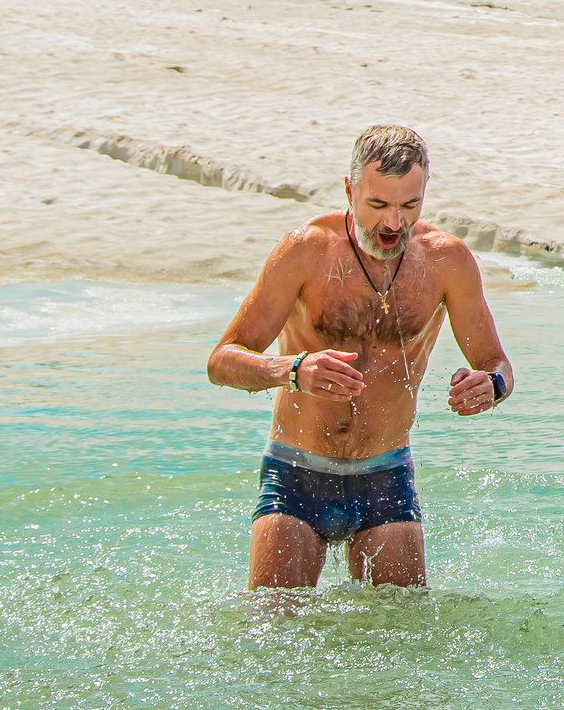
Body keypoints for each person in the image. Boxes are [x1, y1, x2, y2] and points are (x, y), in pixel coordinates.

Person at [205, 124, 513, 589]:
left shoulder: (445, 261)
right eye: (378, 205)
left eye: (410, 205)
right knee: (273, 625)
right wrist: (292, 370)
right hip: (297, 473)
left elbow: (497, 364)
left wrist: (490, 386)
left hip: (385, 475)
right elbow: (222, 361)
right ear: (350, 190)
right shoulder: (306, 250)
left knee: (403, 626)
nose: (394, 223)